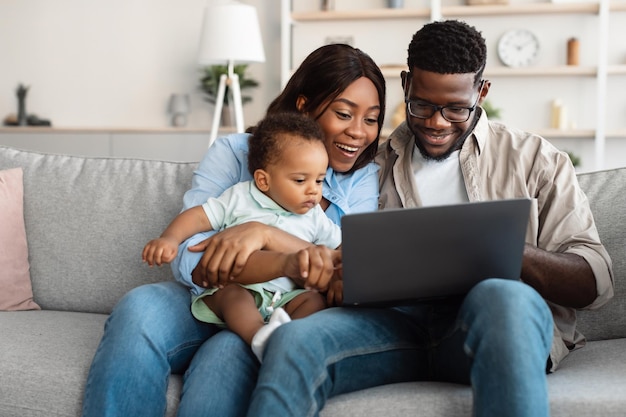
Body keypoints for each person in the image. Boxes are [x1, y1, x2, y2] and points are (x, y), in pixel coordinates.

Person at [245, 20, 614, 417]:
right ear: (405, 85)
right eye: (422, 105)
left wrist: (507, 252)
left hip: (490, 326)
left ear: (482, 91)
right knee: (293, 341)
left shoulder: (535, 160)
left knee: (505, 296)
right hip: (393, 328)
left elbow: (595, 282)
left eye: (456, 109)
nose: (437, 122)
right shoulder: (371, 165)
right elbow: (316, 239)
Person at [81, 42, 385, 417]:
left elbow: (349, 269)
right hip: (214, 295)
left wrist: (265, 235)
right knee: (139, 309)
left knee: (226, 352)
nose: (358, 132)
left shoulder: (363, 180)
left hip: (283, 312)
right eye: (343, 113)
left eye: (371, 119)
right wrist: (297, 261)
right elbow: (195, 255)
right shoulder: (235, 152)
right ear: (305, 105)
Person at [141, 112, 343, 361]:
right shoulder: (241, 198)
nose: (313, 190)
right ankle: (259, 337)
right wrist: (169, 239)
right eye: (300, 180)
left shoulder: (314, 216)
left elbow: (341, 246)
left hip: (287, 297)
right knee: (232, 296)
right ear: (263, 180)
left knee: (313, 301)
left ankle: (286, 338)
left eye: (320, 180)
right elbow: (199, 216)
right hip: (242, 287)